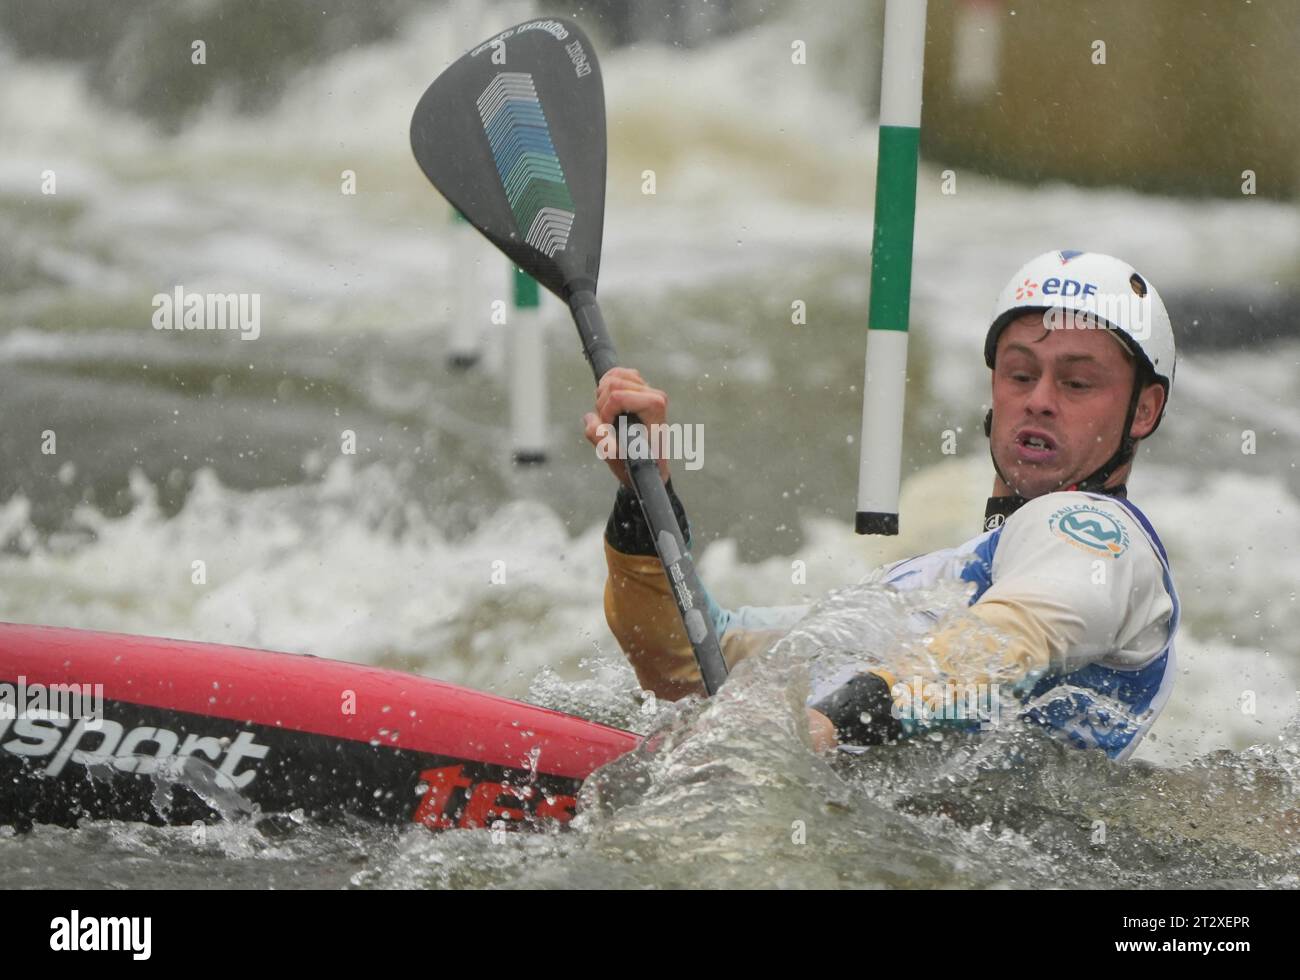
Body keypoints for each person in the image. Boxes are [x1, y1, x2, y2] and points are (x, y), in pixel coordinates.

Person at [584, 250, 1179, 761]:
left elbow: (1020, 636)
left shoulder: (1098, 534)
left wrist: (831, 724)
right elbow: (691, 667)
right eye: (1020, 374)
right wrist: (644, 496)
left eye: (1077, 384)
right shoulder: (945, 582)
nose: (1040, 401)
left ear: (1145, 410)